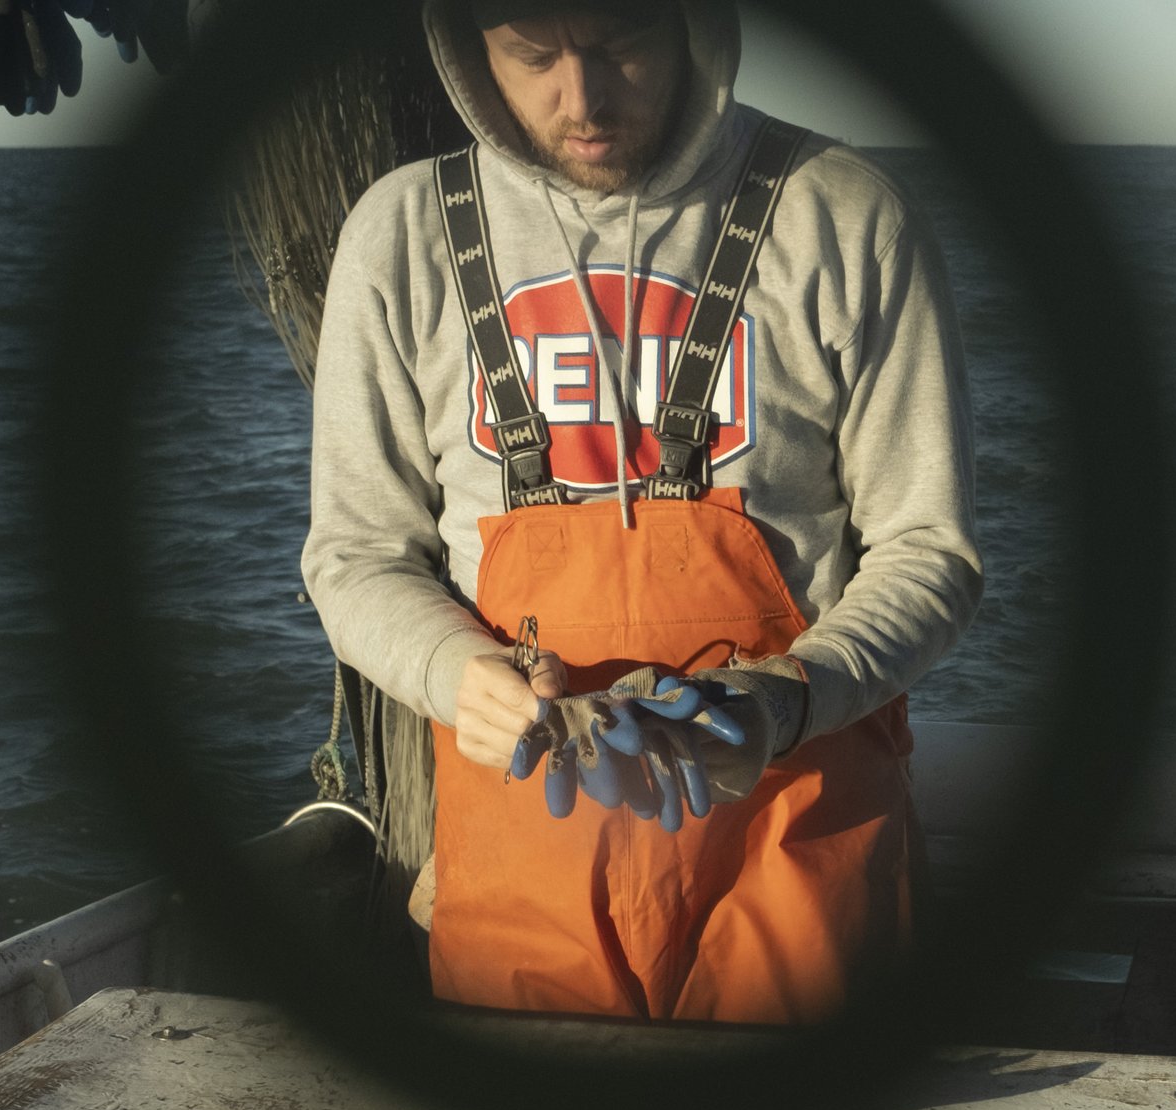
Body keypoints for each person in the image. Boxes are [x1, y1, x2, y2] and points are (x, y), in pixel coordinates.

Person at [301, 0, 979, 1023]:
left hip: (803, 853)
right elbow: (354, 553)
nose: (582, 98)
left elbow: (929, 548)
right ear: (463, 42)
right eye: (533, 54)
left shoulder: (843, 214)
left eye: (621, 42)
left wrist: (791, 695)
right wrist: (458, 673)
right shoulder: (402, 235)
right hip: (521, 873)